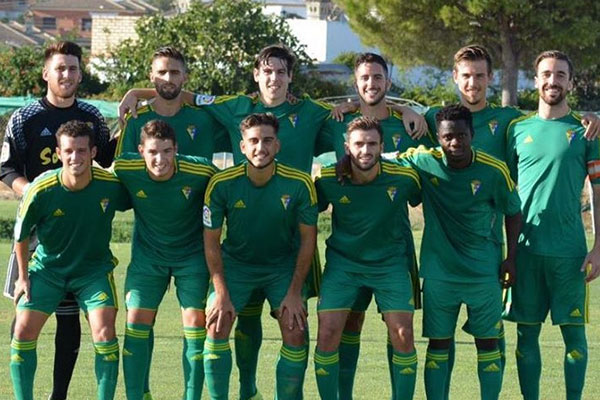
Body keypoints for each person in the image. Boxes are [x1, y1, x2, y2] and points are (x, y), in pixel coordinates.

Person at [118, 44, 425, 400]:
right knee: (242, 321)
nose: (273, 78)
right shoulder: (235, 107)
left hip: (291, 248)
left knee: (297, 326)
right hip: (243, 246)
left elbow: (360, 113)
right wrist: (135, 92)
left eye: (280, 72)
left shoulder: (310, 112)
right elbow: (179, 92)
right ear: (255, 75)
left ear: (290, 76)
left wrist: (402, 109)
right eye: (266, 71)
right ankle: (247, 390)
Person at [0, 40, 114, 400]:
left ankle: (59, 395)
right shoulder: (25, 118)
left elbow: (108, 159)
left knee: (69, 318)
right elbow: (5, 167)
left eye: (73, 68)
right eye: (60, 68)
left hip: (77, 231)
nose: (66, 74)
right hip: (34, 231)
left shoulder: (93, 117)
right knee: (27, 314)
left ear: (81, 74)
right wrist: (34, 192)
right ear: (46, 73)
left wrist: (128, 117)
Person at [320, 52, 433, 399]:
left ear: (388, 81)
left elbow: (434, 173)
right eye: (364, 78)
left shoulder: (412, 125)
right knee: (341, 328)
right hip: (345, 259)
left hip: (391, 256)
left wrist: (405, 109)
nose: (371, 84)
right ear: (355, 83)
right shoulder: (335, 122)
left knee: (400, 333)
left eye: (378, 78)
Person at [398, 104, 522, 400]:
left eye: (461, 136)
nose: (455, 143)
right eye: (447, 137)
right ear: (438, 138)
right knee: (439, 345)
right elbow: (382, 161)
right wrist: (345, 161)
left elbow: (514, 212)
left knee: (488, 344)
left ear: (472, 134)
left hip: (483, 272)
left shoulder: (494, 170)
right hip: (440, 273)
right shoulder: (424, 161)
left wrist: (511, 258)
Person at [504, 50, 600, 400]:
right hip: (525, 252)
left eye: (561, 74)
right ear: (535, 79)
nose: (552, 80)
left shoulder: (585, 131)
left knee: (574, 338)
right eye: (546, 73)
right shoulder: (517, 129)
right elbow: (503, 191)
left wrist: (598, 247)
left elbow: (597, 189)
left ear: (570, 82)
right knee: (526, 337)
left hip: (570, 253)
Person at [10, 120, 129, 400]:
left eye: (81, 150)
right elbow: (21, 235)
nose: (75, 157)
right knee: (23, 329)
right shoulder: (41, 189)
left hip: (93, 272)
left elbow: (144, 200)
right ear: (59, 153)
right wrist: (23, 277)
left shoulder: (111, 186)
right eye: (69, 151)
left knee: (104, 332)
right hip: (48, 270)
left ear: (93, 152)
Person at [202, 113, 317, 400]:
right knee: (217, 323)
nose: (260, 147)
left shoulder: (300, 183)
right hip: (236, 266)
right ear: (242, 147)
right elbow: (212, 243)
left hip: (282, 267)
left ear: (277, 145)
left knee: (295, 329)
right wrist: (220, 292)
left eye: (267, 140)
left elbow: (308, 241)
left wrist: (293, 293)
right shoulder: (221, 183)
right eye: (253, 141)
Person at [314, 116, 420, 400]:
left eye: (372, 144)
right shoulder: (327, 178)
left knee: (402, 335)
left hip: (390, 265)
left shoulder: (404, 177)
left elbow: (429, 196)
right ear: (347, 146)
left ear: (382, 146)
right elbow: (306, 212)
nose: (365, 150)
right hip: (344, 265)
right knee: (327, 335)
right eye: (359, 144)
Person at [113, 119, 217, 400]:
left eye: (167, 151)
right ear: (140, 151)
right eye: (153, 152)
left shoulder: (200, 169)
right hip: (148, 258)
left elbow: (224, 190)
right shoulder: (125, 168)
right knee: (135, 321)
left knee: (196, 325)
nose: (160, 159)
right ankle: (138, 395)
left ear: (176, 150)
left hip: (192, 258)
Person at [115, 46, 229, 159]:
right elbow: (122, 167)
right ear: (152, 77)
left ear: (185, 77)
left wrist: (137, 93)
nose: (168, 79)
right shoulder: (135, 119)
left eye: (174, 73)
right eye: (162, 72)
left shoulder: (204, 119)